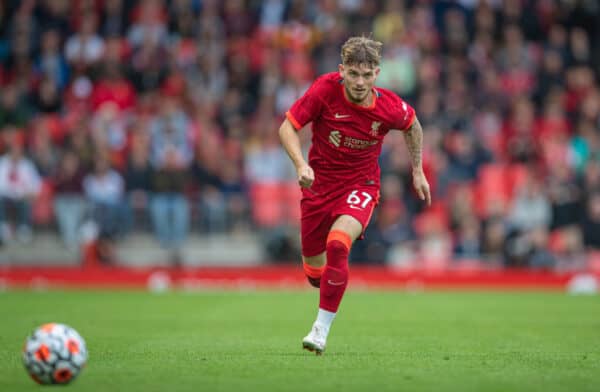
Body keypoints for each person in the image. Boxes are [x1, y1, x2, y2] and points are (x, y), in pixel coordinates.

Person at [278, 36, 431, 355]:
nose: (360, 82)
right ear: (341, 71)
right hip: (318, 188)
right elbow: (287, 128)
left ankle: (319, 330)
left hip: (360, 186)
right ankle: (326, 291)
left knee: (338, 244)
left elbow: (413, 126)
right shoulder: (324, 90)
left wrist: (417, 170)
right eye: (353, 74)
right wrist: (300, 164)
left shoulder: (389, 106)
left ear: (377, 73)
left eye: (367, 74)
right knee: (315, 275)